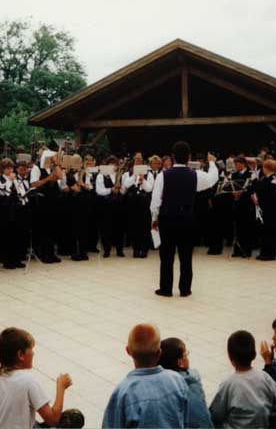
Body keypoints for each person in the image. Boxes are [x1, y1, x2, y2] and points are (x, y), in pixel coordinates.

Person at [150, 142, 218, 297]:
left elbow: (156, 201)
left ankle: (166, 289)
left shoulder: (162, 175)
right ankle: (185, 289)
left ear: (173, 156)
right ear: (189, 157)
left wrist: (154, 218)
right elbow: (212, 179)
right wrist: (212, 162)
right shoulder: (196, 175)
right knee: (186, 256)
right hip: (187, 219)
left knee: (166, 256)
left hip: (167, 219)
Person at [0, 328, 83, 429]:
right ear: (20, 355)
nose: (33, 353)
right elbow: (53, 420)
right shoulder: (28, 380)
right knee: (75, 418)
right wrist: (61, 387)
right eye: (31, 349)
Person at [102, 324, 189, 428]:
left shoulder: (123, 392)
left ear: (128, 351)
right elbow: (186, 420)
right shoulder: (177, 381)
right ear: (159, 353)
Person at [210, 331, 276, 428]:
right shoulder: (265, 377)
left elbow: (215, 414)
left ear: (229, 356)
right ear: (254, 354)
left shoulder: (228, 384)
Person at [159, 338, 213, 428]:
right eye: (186, 354)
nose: (188, 357)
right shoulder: (193, 378)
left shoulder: (162, 385)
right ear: (180, 363)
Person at [122, 154, 155, 258]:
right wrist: (134, 175)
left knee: (144, 226)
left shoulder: (149, 174)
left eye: (139, 160)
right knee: (134, 226)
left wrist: (143, 179)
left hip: (144, 203)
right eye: (136, 160)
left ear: (143, 162)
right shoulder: (128, 174)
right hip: (132, 203)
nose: (138, 161)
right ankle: (136, 249)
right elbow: (126, 185)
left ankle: (144, 249)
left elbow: (149, 188)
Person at [96, 156, 126, 258]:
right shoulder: (101, 175)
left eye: (115, 164)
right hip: (106, 205)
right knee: (106, 228)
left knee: (119, 227)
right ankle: (106, 250)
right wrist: (110, 190)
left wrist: (120, 188)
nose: (113, 166)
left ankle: (119, 250)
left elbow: (124, 190)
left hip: (118, 205)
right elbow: (99, 191)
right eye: (111, 164)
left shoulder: (120, 175)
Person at [252, 160, 276, 261]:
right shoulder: (265, 178)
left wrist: (260, 198)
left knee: (270, 231)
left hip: (271, 209)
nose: (263, 170)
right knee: (263, 230)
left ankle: (270, 253)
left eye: (264, 167)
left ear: (267, 168)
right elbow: (258, 188)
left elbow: (272, 196)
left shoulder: (274, 179)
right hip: (263, 208)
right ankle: (264, 252)